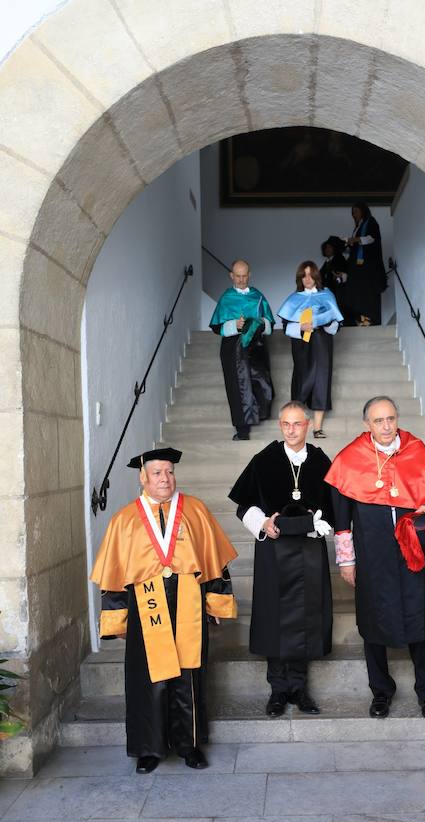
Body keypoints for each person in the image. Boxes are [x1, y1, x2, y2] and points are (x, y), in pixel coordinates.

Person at [90, 447, 238, 773]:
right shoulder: (125, 520)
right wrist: (116, 618)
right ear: (143, 477)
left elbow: (215, 565)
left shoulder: (195, 511)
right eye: (157, 473)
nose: (165, 479)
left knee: (188, 675)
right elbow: (114, 575)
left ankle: (189, 744)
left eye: (169, 472)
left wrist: (216, 604)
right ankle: (149, 748)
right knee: (148, 678)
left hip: (188, 603)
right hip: (146, 608)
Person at [325, 396, 425, 720]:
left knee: (422, 622)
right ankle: (381, 692)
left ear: (397, 419)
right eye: (379, 420)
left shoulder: (415, 450)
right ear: (366, 424)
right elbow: (341, 520)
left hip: (414, 554)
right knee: (373, 622)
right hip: (372, 555)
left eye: (391, 419)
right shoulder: (349, 459)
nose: (386, 426)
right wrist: (347, 560)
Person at [228, 401, 334, 717]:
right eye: (286, 424)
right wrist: (263, 523)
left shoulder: (320, 461)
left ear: (307, 426)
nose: (291, 430)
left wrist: (320, 523)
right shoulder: (265, 460)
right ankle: (277, 690)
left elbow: (332, 504)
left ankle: (299, 689)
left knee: (305, 617)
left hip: (309, 552)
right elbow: (243, 505)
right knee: (274, 618)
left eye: (297, 424)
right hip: (273, 552)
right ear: (280, 426)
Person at [210, 259, 275, 440]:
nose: (241, 279)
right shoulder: (226, 298)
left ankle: (260, 414)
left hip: (256, 347)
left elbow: (269, 323)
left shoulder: (258, 296)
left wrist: (260, 323)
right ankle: (242, 429)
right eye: (237, 276)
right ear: (231, 276)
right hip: (233, 349)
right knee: (237, 387)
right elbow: (217, 327)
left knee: (260, 380)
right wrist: (235, 325)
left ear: (249, 275)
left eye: (244, 276)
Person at [278, 260, 343, 440]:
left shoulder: (326, 295)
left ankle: (318, 428)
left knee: (321, 380)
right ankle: (296, 424)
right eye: (303, 275)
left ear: (316, 275)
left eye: (310, 274)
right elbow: (285, 327)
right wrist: (301, 327)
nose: (307, 279)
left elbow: (336, 324)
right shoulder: (294, 298)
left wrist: (321, 322)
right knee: (301, 380)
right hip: (301, 345)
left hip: (322, 343)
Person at [344, 202, 387, 326]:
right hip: (358, 267)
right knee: (355, 292)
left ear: (363, 211)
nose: (354, 214)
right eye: (352, 212)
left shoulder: (371, 222)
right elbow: (356, 247)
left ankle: (369, 319)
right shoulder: (358, 227)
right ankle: (360, 318)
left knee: (368, 292)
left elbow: (372, 238)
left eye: (356, 211)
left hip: (368, 266)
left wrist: (355, 240)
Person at [320, 235, 348, 313]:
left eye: (330, 247)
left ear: (335, 248)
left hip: (337, 294)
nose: (327, 249)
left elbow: (341, 276)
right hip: (328, 293)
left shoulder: (339, 259)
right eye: (326, 247)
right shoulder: (327, 261)